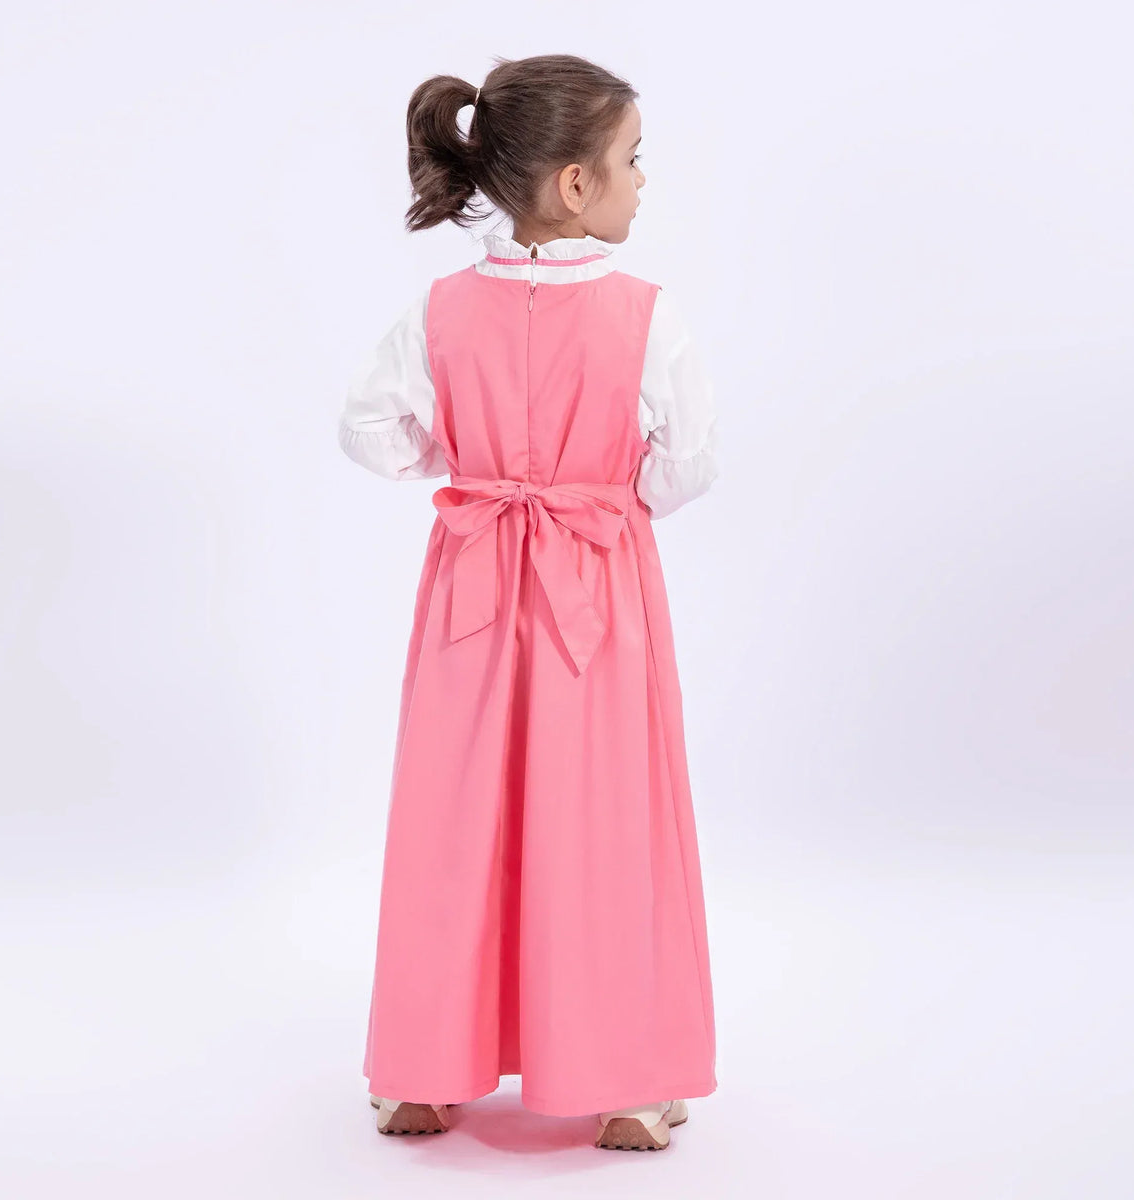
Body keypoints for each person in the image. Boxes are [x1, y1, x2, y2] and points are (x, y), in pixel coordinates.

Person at [338, 53, 720, 1151]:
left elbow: (369, 432)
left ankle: (424, 1073)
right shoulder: (646, 316)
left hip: (471, 590)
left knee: (456, 816)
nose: (643, 181)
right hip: (595, 593)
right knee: (606, 817)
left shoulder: (441, 311)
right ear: (575, 185)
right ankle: (626, 1083)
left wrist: (468, 467)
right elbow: (686, 465)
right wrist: (599, 492)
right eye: (632, 160)